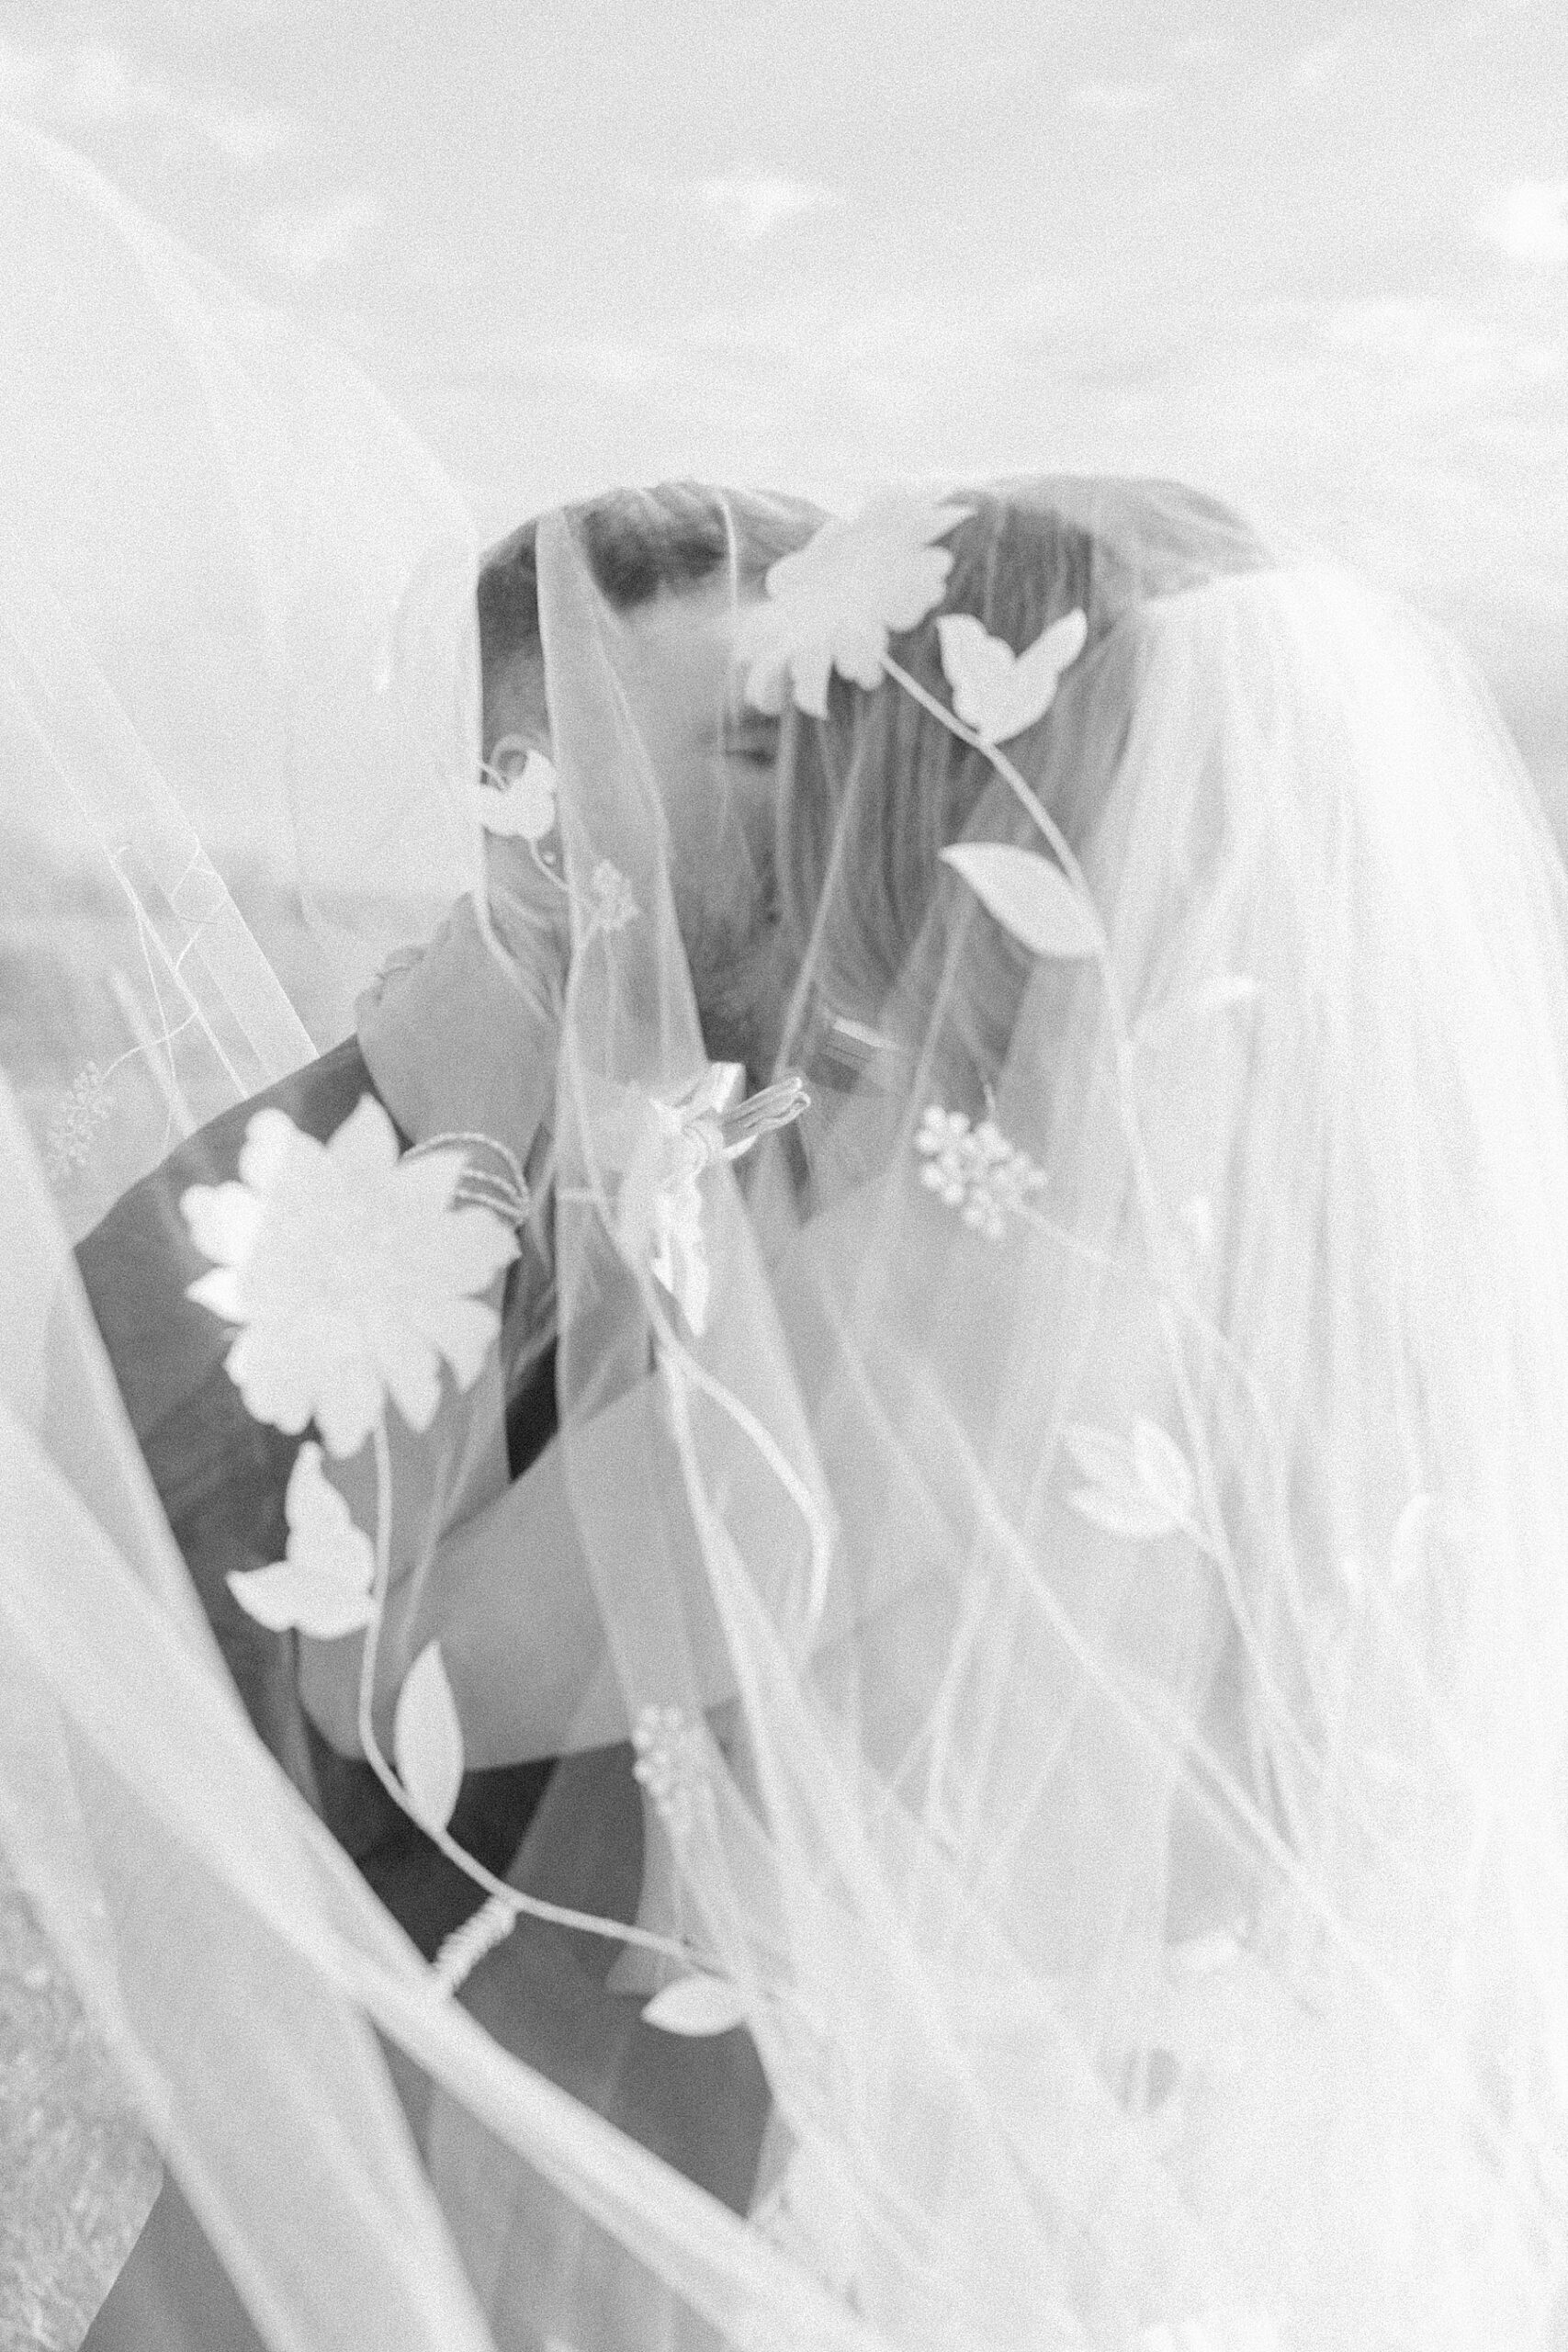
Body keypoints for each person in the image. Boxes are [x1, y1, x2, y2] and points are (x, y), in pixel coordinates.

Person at [7, 123, 1568, 2352]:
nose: (783, 818)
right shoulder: (1312, 1271)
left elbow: (420, 1699)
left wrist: (422, 1239)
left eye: (797, 752)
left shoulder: (921, 1275)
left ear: (936, 814)